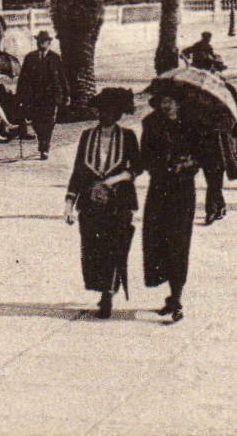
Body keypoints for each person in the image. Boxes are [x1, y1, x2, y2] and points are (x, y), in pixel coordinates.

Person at [64, 88, 142, 319]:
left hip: (119, 202)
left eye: (110, 111)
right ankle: (102, 287)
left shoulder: (127, 136)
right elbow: (78, 171)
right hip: (91, 203)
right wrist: (69, 203)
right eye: (101, 111)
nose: (104, 115)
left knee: (114, 247)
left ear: (118, 114)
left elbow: (137, 167)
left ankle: (108, 292)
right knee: (92, 249)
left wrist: (114, 180)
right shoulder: (87, 136)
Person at [141, 89, 201, 323]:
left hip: (183, 191)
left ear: (179, 102)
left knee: (179, 243)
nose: (167, 105)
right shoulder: (151, 124)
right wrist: (162, 166)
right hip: (159, 190)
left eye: (171, 100)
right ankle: (170, 293)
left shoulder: (192, 124)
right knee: (157, 241)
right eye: (163, 101)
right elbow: (144, 156)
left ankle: (176, 296)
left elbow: (201, 155)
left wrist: (187, 164)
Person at [16, 31, 71, 160]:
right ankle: (42, 141)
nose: (41, 43)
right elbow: (23, 78)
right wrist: (19, 96)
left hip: (51, 96)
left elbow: (62, 77)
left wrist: (67, 94)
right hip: (34, 97)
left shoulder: (55, 58)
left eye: (43, 41)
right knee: (36, 122)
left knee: (49, 122)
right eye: (39, 41)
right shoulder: (30, 58)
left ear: (49, 43)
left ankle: (44, 148)